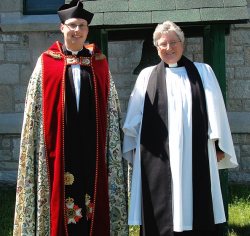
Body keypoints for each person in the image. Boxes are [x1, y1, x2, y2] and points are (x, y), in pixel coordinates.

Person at [13, 0, 128, 235]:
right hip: (58, 147)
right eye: (72, 25)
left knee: (92, 196)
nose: (77, 30)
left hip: (92, 148)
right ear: (62, 27)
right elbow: (34, 110)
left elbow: (111, 109)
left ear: (87, 30)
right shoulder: (47, 63)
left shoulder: (99, 63)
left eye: (82, 26)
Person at [122, 20, 238, 236]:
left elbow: (216, 111)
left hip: (196, 152)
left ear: (182, 44)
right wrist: (137, 149)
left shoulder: (203, 72)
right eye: (162, 44)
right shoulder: (147, 76)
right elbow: (133, 118)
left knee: (198, 202)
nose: (168, 48)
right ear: (156, 48)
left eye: (173, 42)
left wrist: (219, 144)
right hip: (158, 157)